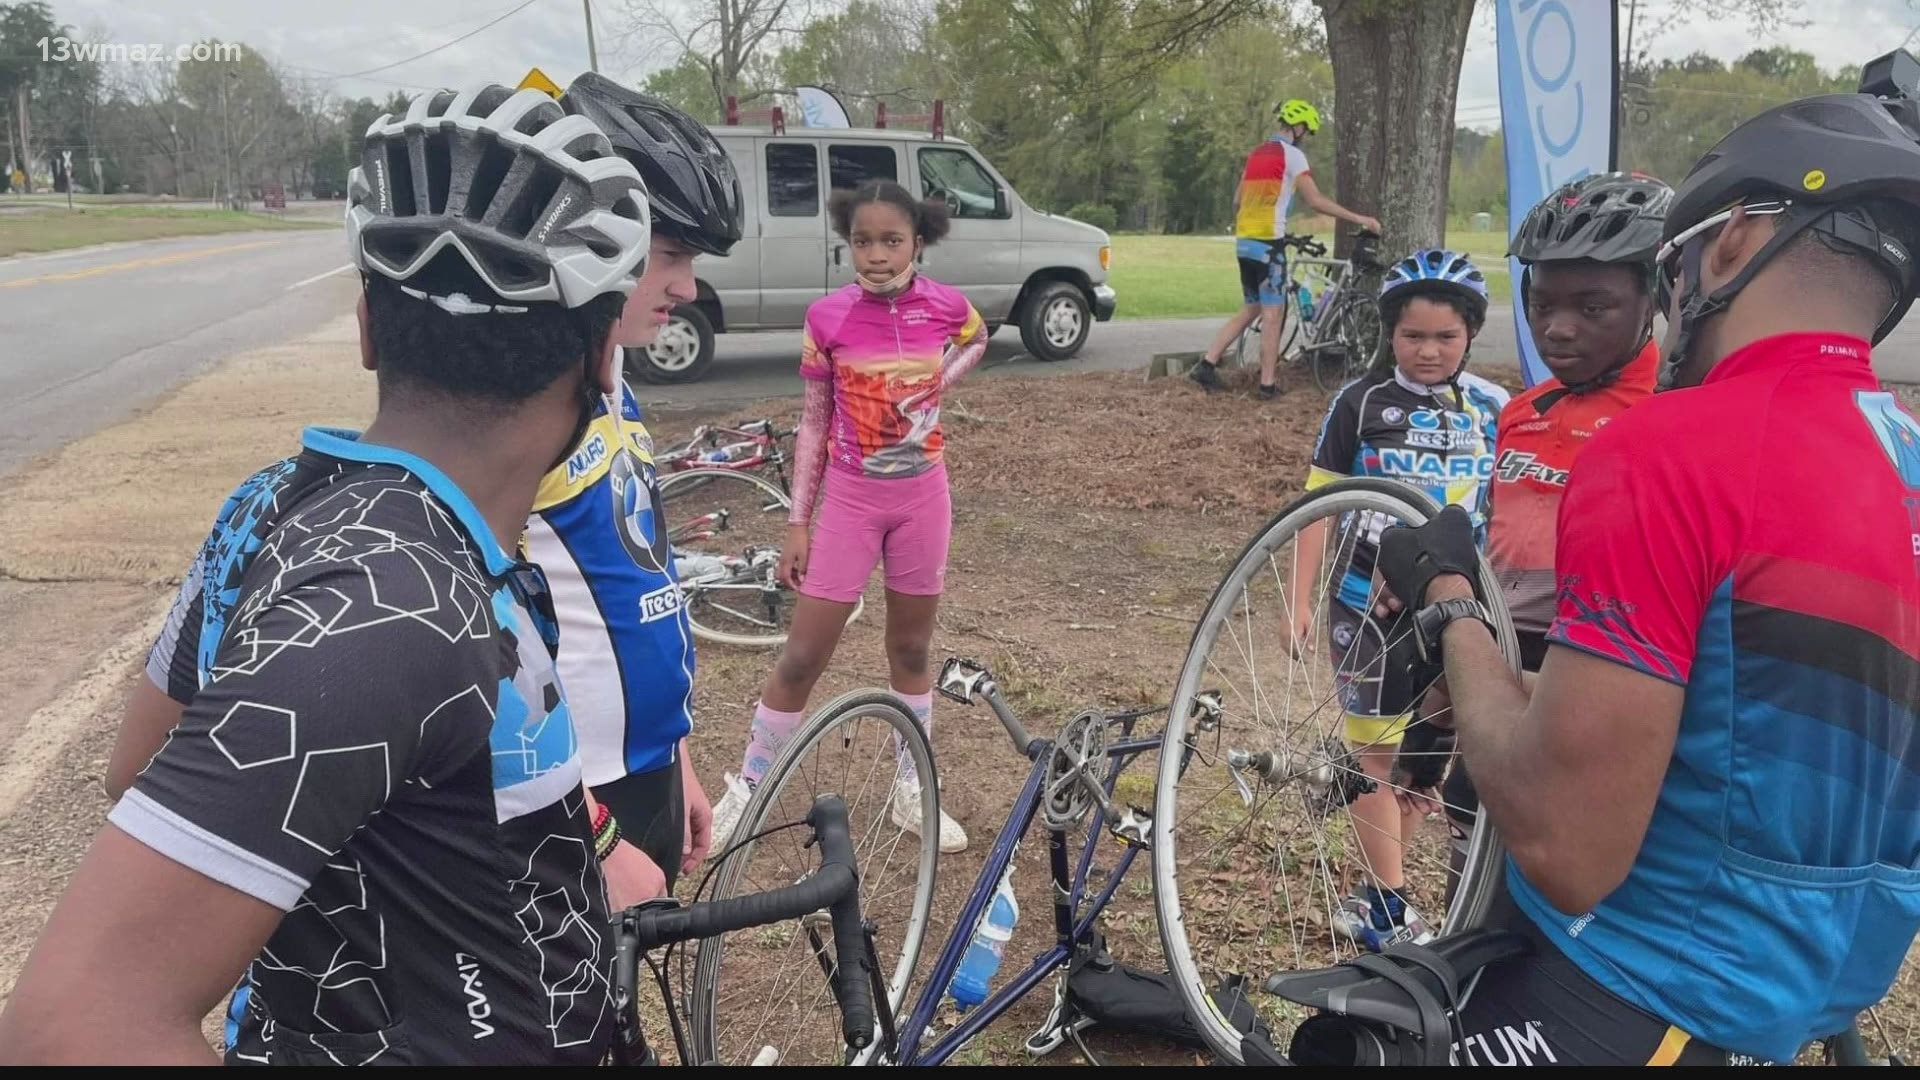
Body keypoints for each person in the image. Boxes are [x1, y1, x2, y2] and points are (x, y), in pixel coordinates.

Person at [1, 84, 652, 1064]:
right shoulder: (402, 617)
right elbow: (74, 1025)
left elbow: (137, 766)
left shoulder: (274, 503)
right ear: (605, 358)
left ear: (366, 327)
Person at [1373, 79, 1920, 1064]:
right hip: (1818, 992)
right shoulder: (1908, 459)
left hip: (1642, 982)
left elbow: (1564, 844)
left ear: (1733, 242)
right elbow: (1728, 721)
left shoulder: (1670, 448)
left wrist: (1451, 605)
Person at [520, 71, 751, 897]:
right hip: (565, 794)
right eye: (675, 256)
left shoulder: (613, 371)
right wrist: (594, 823)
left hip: (639, 765)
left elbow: (641, 569)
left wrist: (677, 754)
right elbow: (479, 645)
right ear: (596, 237)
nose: (688, 288)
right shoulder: (528, 402)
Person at [707, 180, 988, 854]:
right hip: (852, 503)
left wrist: (937, 383)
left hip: (922, 498)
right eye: (864, 241)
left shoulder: (944, 305)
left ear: (918, 243)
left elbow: (977, 339)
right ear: (849, 246)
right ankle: (749, 788)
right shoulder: (827, 317)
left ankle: (911, 790)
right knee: (803, 654)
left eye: (892, 240)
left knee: (912, 650)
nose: (877, 255)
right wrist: (797, 522)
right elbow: (811, 426)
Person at [1434, 171, 1672, 875]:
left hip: (1599, 663)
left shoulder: (1672, 417)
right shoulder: (1522, 412)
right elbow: (1499, 537)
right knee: (1469, 816)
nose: (1558, 328)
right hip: (1506, 645)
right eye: (1541, 304)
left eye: (1593, 307)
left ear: (1653, 299)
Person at [1288, 248, 1509, 951]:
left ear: (1471, 333)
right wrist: (1299, 600)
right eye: (1413, 336)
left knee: (1425, 768)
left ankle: (1374, 889)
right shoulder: (1359, 402)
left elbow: (1504, 515)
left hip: (1458, 614)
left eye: (1446, 337)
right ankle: (1390, 907)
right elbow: (1317, 506)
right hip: (1366, 604)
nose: (1429, 350)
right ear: (1390, 335)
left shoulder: (1496, 408)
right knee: (1372, 758)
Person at [1191, 98, 1382, 399]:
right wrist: (1360, 219)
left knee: (1252, 308)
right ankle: (1267, 385)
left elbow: (1238, 200)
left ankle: (1206, 364)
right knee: (1272, 314)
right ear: (1298, 126)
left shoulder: (1256, 154)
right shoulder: (1292, 157)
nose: (1305, 135)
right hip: (1268, 244)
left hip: (1244, 243)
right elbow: (1316, 201)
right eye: (1306, 129)